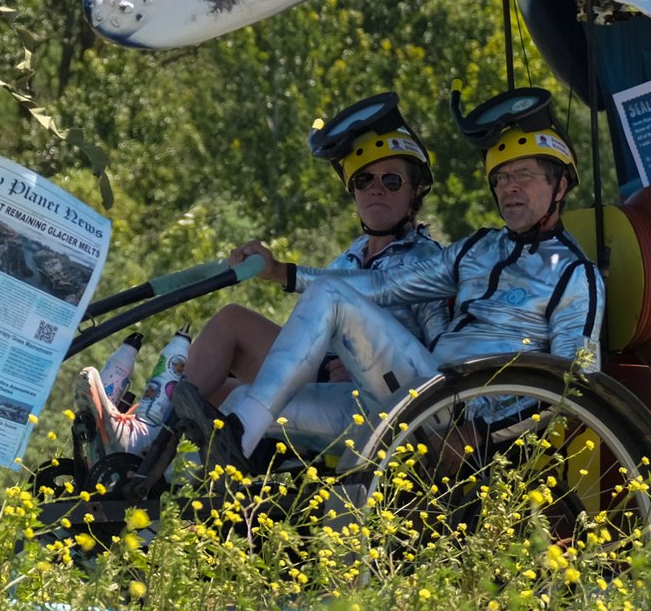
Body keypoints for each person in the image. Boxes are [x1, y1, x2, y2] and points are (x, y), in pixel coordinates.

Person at [172, 87, 603, 467]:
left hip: (462, 411)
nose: (510, 188)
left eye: (524, 175)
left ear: (561, 185)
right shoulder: (479, 248)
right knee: (238, 399)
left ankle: (240, 433)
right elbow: (383, 287)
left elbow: (570, 386)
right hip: (419, 388)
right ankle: (163, 507)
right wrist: (283, 273)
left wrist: (489, 435)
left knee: (330, 298)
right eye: (502, 177)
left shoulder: (575, 276)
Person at [88, 92, 444, 454]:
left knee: (236, 385)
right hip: (326, 381)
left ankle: (142, 439)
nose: (376, 189)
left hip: (389, 401)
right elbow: (304, 341)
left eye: (392, 181)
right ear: (352, 191)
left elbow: (442, 357)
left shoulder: (430, 262)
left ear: (415, 191)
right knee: (226, 342)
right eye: (364, 180)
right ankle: (133, 444)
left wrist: (362, 365)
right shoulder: (346, 261)